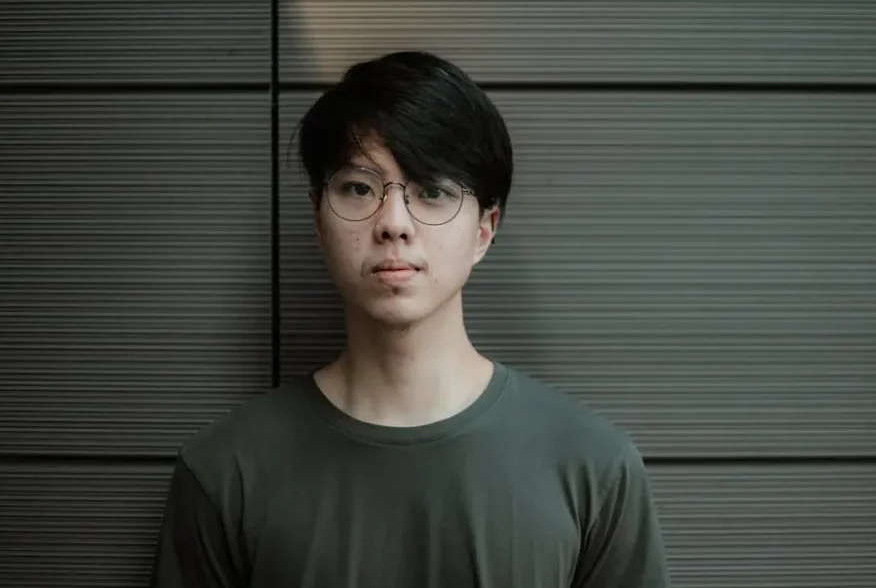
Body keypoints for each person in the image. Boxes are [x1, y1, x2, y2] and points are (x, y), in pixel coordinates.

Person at [149, 50, 671, 587]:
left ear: (484, 230)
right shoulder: (224, 471)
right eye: (359, 188)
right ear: (318, 220)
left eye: (433, 190)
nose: (394, 223)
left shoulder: (593, 469)